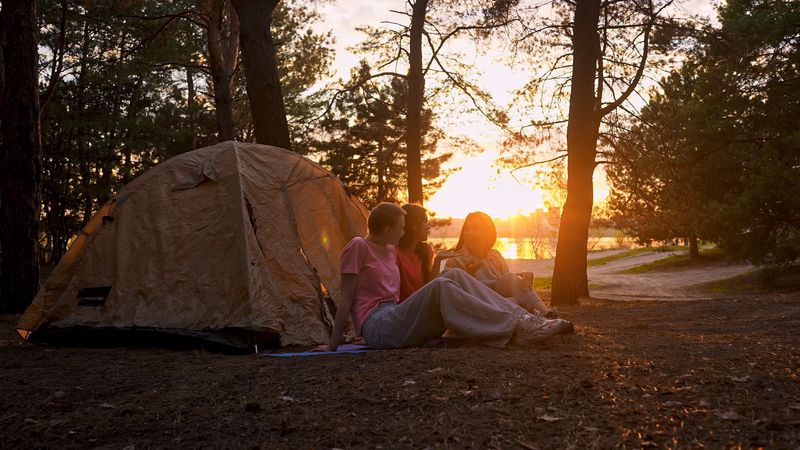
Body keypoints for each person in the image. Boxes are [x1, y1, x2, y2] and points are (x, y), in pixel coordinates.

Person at [313, 203, 572, 352]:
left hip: (396, 316)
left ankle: (525, 319)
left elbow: (414, 292)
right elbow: (346, 298)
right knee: (443, 285)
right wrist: (333, 345)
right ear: (389, 229)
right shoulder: (358, 246)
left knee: (454, 274)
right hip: (378, 326)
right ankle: (515, 327)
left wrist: (437, 261)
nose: (404, 232)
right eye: (401, 228)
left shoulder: (390, 249)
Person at [445, 211, 555, 317]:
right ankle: (531, 318)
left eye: (475, 229)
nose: (469, 233)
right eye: (467, 229)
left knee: (510, 282)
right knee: (513, 303)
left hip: (500, 300)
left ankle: (546, 314)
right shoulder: (454, 260)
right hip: (478, 304)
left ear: (487, 233)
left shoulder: (495, 256)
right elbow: (450, 295)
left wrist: (522, 279)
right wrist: (470, 275)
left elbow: (508, 281)